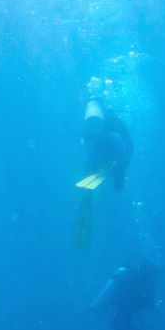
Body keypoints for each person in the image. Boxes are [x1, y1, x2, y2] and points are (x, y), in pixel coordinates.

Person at [72, 96, 133, 249]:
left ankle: (87, 196)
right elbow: (128, 141)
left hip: (98, 149)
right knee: (119, 171)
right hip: (115, 146)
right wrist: (125, 159)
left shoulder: (91, 120)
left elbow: (84, 141)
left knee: (90, 173)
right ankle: (118, 185)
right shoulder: (115, 118)